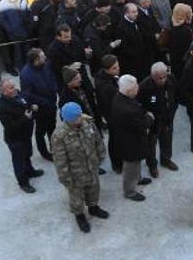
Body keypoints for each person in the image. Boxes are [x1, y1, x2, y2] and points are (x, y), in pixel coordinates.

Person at [51, 102, 109, 234]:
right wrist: (66, 178)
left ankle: (93, 207)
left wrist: (101, 156)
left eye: (80, 115)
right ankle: (80, 216)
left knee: (94, 189)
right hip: (75, 174)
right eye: (77, 117)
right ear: (69, 120)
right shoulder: (59, 136)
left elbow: (97, 141)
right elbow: (60, 160)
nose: (81, 119)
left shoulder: (88, 124)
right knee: (77, 197)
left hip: (91, 167)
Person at [0, 78, 44, 193]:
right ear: (4, 92)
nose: (15, 89)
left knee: (27, 154)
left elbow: (24, 103)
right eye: (11, 88)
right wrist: (25, 118)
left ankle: (30, 171)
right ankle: (23, 183)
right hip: (15, 139)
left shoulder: (17, 94)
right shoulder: (2, 108)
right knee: (19, 161)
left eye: (14, 86)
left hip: (25, 134)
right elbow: (10, 127)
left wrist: (31, 107)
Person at [111, 75, 154, 202]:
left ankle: (138, 178)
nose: (138, 87)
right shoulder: (126, 109)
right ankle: (129, 191)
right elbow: (142, 124)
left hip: (130, 138)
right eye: (135, 86)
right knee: (131, 166)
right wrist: (150, 117)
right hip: (130, 142)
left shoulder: (121, 97)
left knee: (136, 162)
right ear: (129, 90)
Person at [138, 62, 179, 177]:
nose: (163, 80)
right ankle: (152, 165)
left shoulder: (171, 79)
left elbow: (176, 97)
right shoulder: (144, 86)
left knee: (167, 140)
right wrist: (147, 116)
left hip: (167, 118)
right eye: (160, 78)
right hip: (153, 122)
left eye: (165, 76)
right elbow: (138, 105)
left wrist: (172, 112)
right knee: (151, 145)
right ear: (153, 76)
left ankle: (166, 159)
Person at [20, 48, 58, 161]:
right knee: (40, 131)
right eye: (42, 56)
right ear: (36, 60)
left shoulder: (45, 66)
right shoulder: (26, 75)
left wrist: (55, 88)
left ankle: (54, 146)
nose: (45, 58)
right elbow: (27, 95)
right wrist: (44, 102)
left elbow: (52, 77)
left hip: (51, 104)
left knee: (52, 127)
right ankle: (44, 152)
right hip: (41, 108)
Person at [95, 55, 122, 173]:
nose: (118, 69)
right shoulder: (105, 86)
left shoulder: (108, 77)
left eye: (118, 66)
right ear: (107, 70)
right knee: (115, 141)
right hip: (113, 116)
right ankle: (116, 164)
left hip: (113, 113)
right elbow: (110, 103)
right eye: (115, 68)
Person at [114, 3, 150, 80]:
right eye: (133, 12)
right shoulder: (121, 28)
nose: (136, 14)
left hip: (142, 59)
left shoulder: (135, 21)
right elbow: (124, 48)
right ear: (126, 13)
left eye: (136, 11)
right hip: (132, 64)